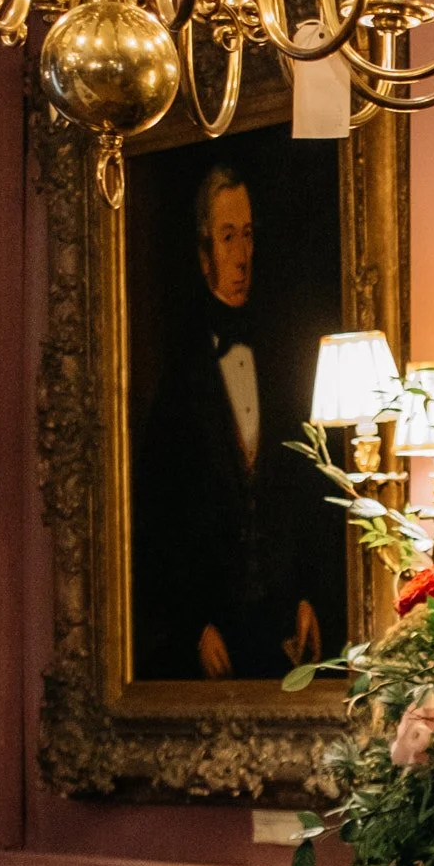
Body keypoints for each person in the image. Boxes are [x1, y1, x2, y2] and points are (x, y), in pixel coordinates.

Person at [131, 164, 337, 680]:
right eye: (228, 238)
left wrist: (306, 595)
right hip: (213, 633)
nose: (243, 255)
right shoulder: (180, 378)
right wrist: (192, 627)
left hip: (281, 623)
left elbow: (304, 489)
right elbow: (159, 519)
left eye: (247, 236)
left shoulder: (278, 356)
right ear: (204, 254)